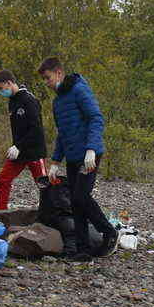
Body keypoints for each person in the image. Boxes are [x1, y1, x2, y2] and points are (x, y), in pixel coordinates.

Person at [38, 57, 117, 262]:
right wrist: (55, 162)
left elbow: (96, 118)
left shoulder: (80, 91)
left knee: (81, 197)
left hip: (89, 155)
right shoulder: (57, 102)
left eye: (47, 78)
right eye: (44, 80)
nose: (46, 83)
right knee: (75, 201)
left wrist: (91, 148)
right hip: (73, 156)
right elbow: (62, 133)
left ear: (58, 73)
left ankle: (109, 232)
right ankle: (82, 250)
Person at [0, 69, 48, 211]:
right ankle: (0, 211)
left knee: (43, 185)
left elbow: (36, 129)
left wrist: (19, 146)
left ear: (9, 83)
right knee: (4, 178)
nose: (0, 92)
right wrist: (16, 147)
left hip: (34, 151)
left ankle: (52, 210)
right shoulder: (12, 101)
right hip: (19, 152)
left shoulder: (29, 100)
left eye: (1, 88)